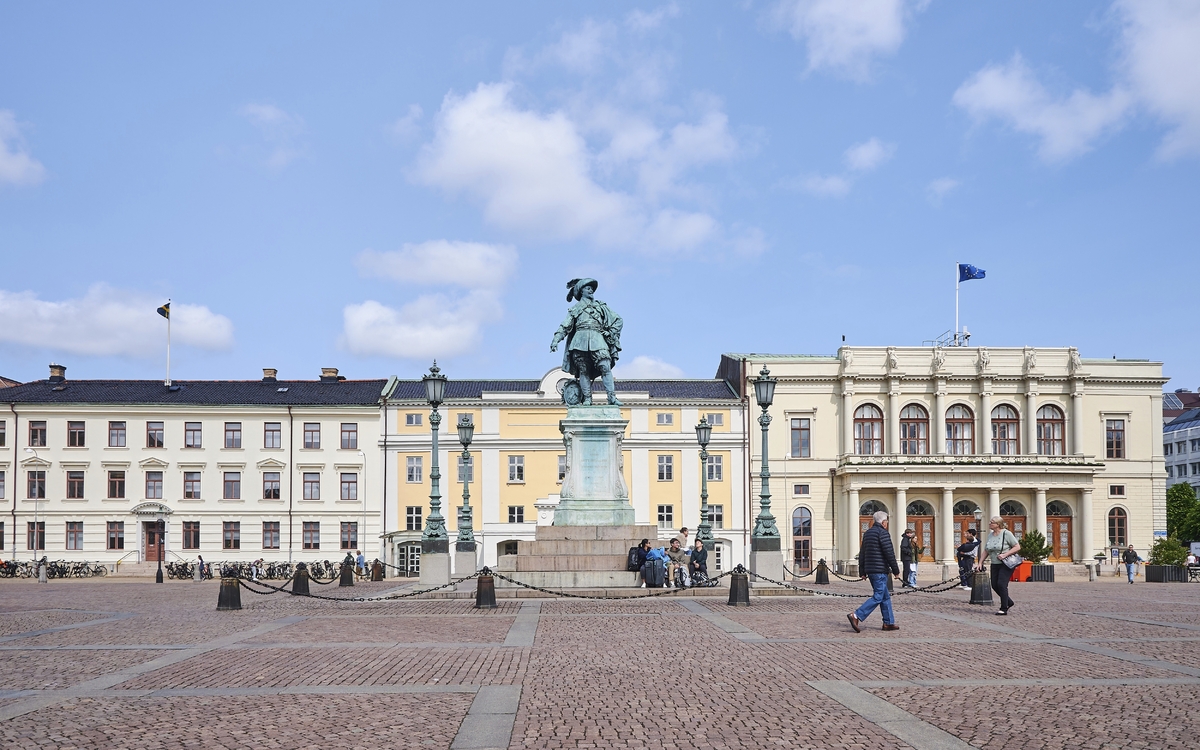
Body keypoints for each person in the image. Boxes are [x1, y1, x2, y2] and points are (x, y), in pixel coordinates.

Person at [847, 511, 903, 633]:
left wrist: (862, 571)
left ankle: (888, 622)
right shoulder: (883, 533)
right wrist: (896, 570)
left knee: (885, 597)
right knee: (878, 596)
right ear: (883, 522)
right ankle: (856, 615)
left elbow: (862, 553)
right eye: (886, 521)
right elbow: (889, 553)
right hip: (880, 570)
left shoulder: (867, 533)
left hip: (871, 570)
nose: (887, 523)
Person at [978, 516, 1020, 615]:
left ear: (998, 524)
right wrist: (980, 562)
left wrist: (1005, 554)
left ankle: (1003, 608)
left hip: (1006, 564)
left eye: (992, 522)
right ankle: (1008, 601)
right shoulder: (990, 535)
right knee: (994, 585)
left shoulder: (1006, 533)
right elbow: (986, 550)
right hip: (994, 563)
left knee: (1001, 584)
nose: (990, 524)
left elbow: (1017, 546)